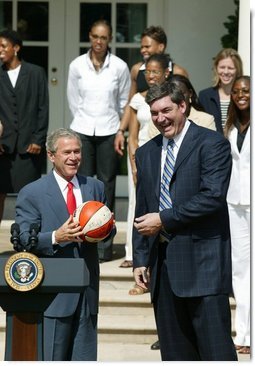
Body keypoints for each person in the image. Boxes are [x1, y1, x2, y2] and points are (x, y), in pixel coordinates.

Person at [132, 81, 237, 361]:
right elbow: (142, 207)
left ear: (183, 106)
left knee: (216, 352)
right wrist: (141, 257)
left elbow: (212, 197)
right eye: (154, 113)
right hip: (163, 270)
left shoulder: (212, 143)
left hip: (203, 266)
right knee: (176, 354)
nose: (160, 119)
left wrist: (164, 219)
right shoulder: (146, 152)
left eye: (166, 110)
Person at [14, 128, 115, 361]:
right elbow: (23, 239)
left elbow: (110, 230)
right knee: (52, 358)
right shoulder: (33, 192)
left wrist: (102, 231)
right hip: (54, 295)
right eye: (67, 152)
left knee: (85, 359)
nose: (73, 157)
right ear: (51, 156)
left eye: (77, 151)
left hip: (87, 291)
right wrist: (55, 237)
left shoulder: (95, 187)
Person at [67, 19, 130, 262]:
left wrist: (119, 132)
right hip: (82, 128)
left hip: (109, 129)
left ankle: (104, 245)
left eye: (103, 37)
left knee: (107, 185)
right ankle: (80, 239)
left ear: (110, 39)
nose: (98, 41)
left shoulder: (119, 67)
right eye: (95, 36)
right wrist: (82, 122)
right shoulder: (76, 66)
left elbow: (123, 101)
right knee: (81, 185)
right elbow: (74, 100)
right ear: (89, 37)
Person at [114, 25, 188, 156]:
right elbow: (131, 104)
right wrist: (121, 130)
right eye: (142, 47)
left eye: (147, 46)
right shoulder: (137, 70)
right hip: (142, 135)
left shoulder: (178, 72)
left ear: (161, 47)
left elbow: (186, 106)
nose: (143, 50)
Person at [0, 29, 49, 225]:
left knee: (28, 197)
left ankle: (27, 239)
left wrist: (38, 139)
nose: (0, 50)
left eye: (3, 46)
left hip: (29, 148)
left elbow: (43, 108)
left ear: (16, 48)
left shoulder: (36, 73)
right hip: (3, 148)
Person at [225, 76, 250, 355]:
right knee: (240, 270)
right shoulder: (230, 126)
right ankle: (242, 333)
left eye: (246, 91)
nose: (241, 95)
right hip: (234, 203)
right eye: (236, 92)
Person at [198, 48, 243, 134]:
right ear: (216, 68)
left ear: (237, 70)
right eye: (222, 67)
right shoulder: (205, 96)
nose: (226, 72)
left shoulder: (244, 96)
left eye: (230, 68)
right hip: (213, 146)